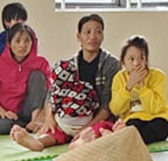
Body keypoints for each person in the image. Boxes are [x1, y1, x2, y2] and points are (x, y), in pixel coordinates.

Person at [13, 14, 120, 152]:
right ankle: (37, 142)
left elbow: (108, 104)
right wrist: (49, 118)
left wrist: (87, 126)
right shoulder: (69, 65)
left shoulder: (111, 64)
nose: (93, 36)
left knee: (102, 130)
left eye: (98, 32)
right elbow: (53, 92)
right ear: (78, 36)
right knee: (56, 130)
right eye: (87, 32)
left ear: (103, 36)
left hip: (95, 118)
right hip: (69, 116)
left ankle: (81, 142)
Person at [0, 24, 51, 134]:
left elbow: (48, 93)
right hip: (9, 115)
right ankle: (27, 127)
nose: (22, 45)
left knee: (37, 75)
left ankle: (34, 123)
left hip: (31, 111)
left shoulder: (41, 63)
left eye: (27, 41)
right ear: (9, 44)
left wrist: (39, 117)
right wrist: (3, 112)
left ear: (32, 43)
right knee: (2, 126)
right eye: (18, 41)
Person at [108, 35, 168, 144]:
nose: (136, 64)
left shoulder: (158, 76)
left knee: (159, 128)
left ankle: (129, 139)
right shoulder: (119, 78)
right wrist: (128, 87)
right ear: (123, 61)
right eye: (131, 59)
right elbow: (116, 109)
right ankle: (130, 138)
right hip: (133, 118)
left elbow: (156, 108)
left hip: (157, 117)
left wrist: (142, 87)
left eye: (142, 58)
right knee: (132, 126)